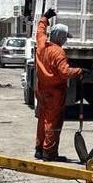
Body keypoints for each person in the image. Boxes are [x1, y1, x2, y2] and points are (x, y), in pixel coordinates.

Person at [34, 8, 83, 162]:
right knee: (52, 121)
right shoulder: (58, 53)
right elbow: (64, 72)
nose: (65, 40)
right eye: (65, 38)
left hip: (41, 88)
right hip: (55, 92)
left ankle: (39, 149)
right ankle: (49, 152)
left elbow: (40, 31)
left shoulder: (42, 46)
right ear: (61, 37)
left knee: (42, 118)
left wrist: (44, 18)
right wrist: (79, 71)